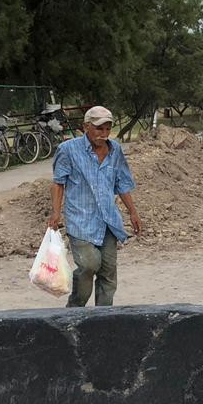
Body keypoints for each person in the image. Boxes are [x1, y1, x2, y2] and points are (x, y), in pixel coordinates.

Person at [47, 106, 141, 307]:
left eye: (108, 129)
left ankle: (103, 318)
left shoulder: (115, 150)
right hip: (80, 220)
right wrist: (56, 212)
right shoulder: (68, 150)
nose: (104, 134)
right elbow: (58, 182)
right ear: (85, 127)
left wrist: (132, 212)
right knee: (89, 265)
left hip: (108, 221)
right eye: (99, 129)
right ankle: (75, 309)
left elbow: (122, 183)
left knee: (108, 272)